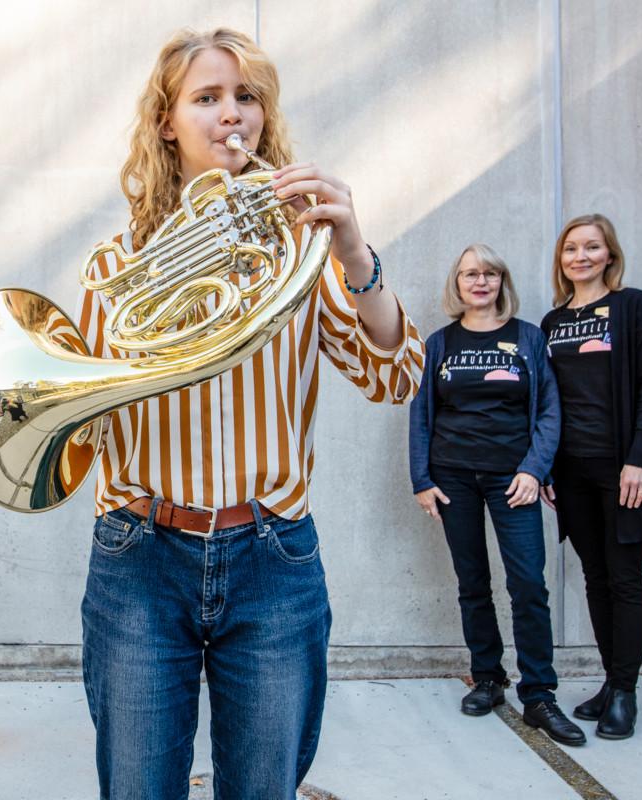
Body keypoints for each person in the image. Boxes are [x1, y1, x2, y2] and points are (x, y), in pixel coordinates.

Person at [75, 28, 425, 799]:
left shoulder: (303, 248)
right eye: (207, 98)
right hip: (139, 552)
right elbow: (85, 418)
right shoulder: (114, 265)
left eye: (247, 97)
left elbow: (395, 374)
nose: (232, 114)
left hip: (272, 553)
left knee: (265, 788)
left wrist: (357, 254)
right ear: (166, 122)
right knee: (136, 788)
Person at [409, 244, 584, 746]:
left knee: (529, 583)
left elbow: (550, 410)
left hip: (514, 479)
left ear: (501, 281)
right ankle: (487, 677)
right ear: (457, 284)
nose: (480, 281)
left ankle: (539, 695)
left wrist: (534, 468)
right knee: (472, 582)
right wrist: (422, 479)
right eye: (470, 274)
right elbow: (421, 415)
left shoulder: (529, 338)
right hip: (454, 478)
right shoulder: (439, 344)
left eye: (489, 273)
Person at [540, 213, 642, 740]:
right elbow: (545, 401)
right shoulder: (551, 323)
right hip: (571, 470)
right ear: (561, 260)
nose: (581, 257)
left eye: (592, 247)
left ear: (609, 254)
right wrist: (543, 465)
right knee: (594, 577)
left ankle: (626, 692)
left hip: (625, 469)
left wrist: (639, 457)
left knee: (625, 578)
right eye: (571, 249)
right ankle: (611, 683)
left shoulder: (633, 306)